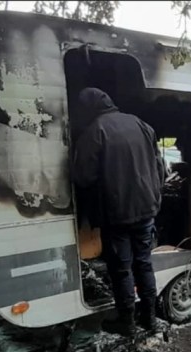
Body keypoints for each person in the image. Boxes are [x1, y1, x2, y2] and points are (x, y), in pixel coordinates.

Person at [70, 87, 166, 338]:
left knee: (122, 269)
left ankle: (128, 323)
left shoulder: (94, 132)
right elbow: (159, 167)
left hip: (117, 214)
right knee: (144, 264)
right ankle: (151, 319)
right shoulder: (142, 124)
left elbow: (82, 176)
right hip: (146, 210)